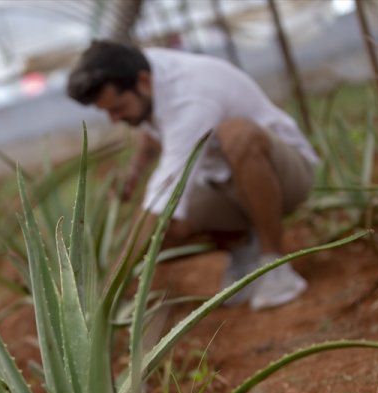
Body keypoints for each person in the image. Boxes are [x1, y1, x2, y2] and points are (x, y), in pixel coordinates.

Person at [66, 40, 319, 310]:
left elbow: (162, 197)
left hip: (286, 177)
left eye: (117, 108)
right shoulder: (143, 67)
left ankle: (274, 265)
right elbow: (154, 127)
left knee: (237, 135)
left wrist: (105, 292)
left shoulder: (189, 96)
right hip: (223, 183)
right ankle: (244, 248)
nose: (114, 119)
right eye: (106, 111)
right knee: (169, 233)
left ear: (143, 82)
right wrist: (136, 170)